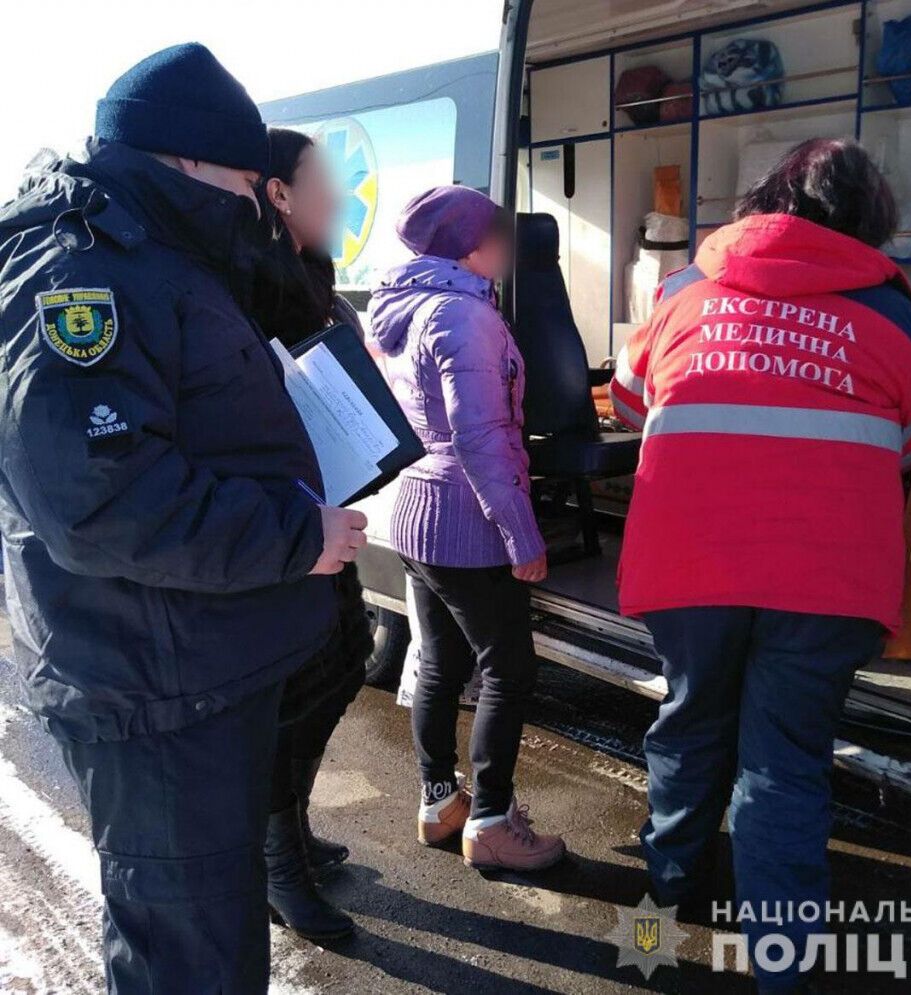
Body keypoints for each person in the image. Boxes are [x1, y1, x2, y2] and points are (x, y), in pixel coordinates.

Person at [0, 44, 368, 993]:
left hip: (185, 666)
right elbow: (102, 499)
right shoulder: (84, 269)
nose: (258, 202)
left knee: (210, 935)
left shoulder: (154, 247)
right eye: (250, 182)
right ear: (191, 162)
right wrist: (301, 535)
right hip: (153, 689)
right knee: (187, 959)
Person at [610, 139, 911, 992]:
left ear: (764, 199)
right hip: (827, 579)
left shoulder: (686, 288)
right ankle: (780, 971)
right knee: (784, 764)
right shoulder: (895, 309)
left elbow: (632, 399)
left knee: (690, 729)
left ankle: (655, 915)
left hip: (689, 565)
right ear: (869, 219)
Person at [367, 186, 565, 872]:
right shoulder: (463, 316)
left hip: (417, 513)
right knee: (509, 669)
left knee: (441, 664)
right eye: (499, 235)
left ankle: (439, 801)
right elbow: (481, 439)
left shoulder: (406, 305)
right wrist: (522, 535)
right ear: (470, 246)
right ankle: (490, 820)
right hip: (468, 519)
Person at [250, 127, 374, 940]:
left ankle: (287, 827)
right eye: (323, 179)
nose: (341, 193)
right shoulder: (251, 280)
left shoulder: (312, 274)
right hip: (284, 520)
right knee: (296, 692)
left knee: (346, 658)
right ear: (279, 195)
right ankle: (276, 860)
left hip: (328, 496)